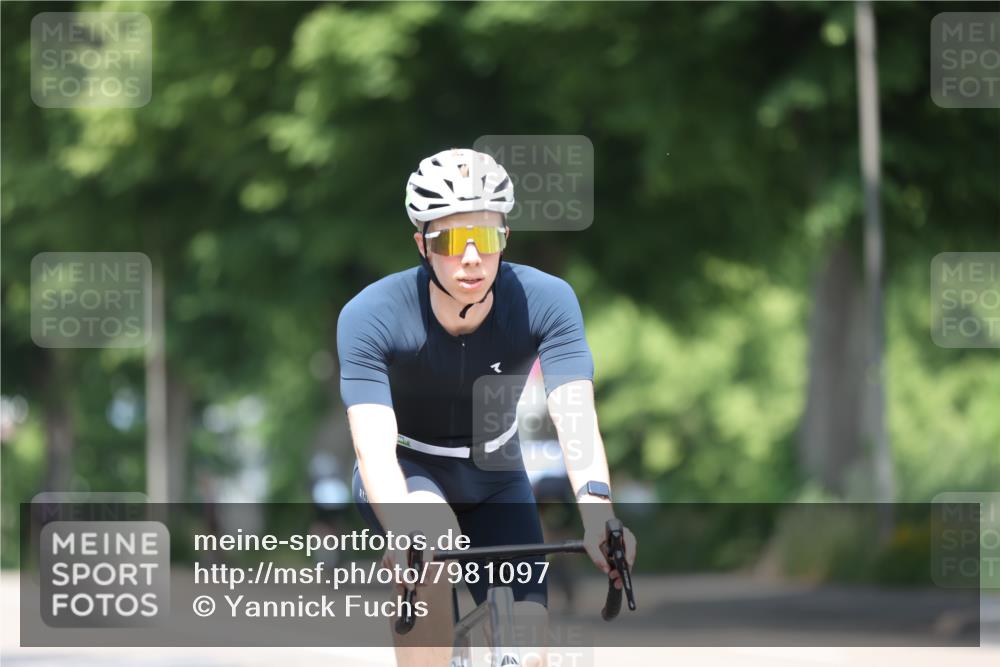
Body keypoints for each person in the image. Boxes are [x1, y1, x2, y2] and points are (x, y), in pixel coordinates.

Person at [337, 148, 636, 667]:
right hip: (410, 468)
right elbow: (374, 448)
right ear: (422, 245)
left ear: (506, 238)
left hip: (497, 475)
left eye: (487, 238)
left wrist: (598, 514)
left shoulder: (547, 300)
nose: (472, 257)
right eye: (452, 241)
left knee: (529, 649)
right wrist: (401, 528)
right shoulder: (371, 315)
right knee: (427, 535)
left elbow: (576, 419)